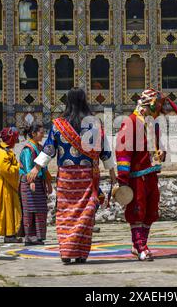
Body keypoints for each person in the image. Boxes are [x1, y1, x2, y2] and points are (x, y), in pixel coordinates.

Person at [27, 87, 116, 264]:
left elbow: (49, 149)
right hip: (86, 176)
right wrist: (113, 173)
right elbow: (105, 151)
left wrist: (36, 168)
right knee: (86, 212)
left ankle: (67, 252)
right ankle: (81, 253)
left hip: (67, 178)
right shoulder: (95, 124)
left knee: (66, 212)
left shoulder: (58, 124)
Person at [115, 89, 177, 261]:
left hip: (151, 175)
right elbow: (123, 151)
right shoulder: (130, 122)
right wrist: (123, 178)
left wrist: (161, 153)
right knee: (137, 210)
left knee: (151, 210)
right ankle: (140, 245)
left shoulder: (152, 124)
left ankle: (140, 243)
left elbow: (156, 147)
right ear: (145, 106)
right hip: (136, 176)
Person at [19, 123, 52, 246]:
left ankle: (39, 237)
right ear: (33, 134)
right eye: (41, 132)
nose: (43, 135)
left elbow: (44, 167)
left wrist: (48, 183)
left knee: (40, 210)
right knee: (30, 210)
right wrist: (31, 181)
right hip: (29, 183)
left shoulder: (40, 147)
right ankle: (29, 237)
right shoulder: (28, 148)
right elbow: (28, 167)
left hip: (39, 182)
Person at [0, 127, 23, 243]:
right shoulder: (2, 152)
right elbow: (6, 170)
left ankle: (11, 233)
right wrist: (18, 167)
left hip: (6, 182)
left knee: (10, 207)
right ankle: (9, 234)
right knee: (7, 207)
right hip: (4, 183)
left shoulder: (6, 151)